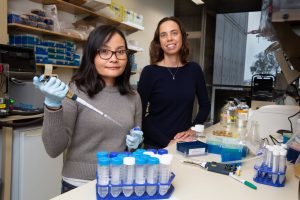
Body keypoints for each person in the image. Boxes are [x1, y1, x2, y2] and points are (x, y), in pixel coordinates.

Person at [33, 25, 143, 193]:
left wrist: (136, 144)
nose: (114, 58)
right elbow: (53, 149)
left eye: (120, 51)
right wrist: (52, 105)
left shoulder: (133, 96)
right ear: (92, 55)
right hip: (79, 184)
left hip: (119, 182)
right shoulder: (75, 91)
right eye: (105, 51)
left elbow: (135, 147)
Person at [137, 17, 211, 148]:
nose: (169, 38)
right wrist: (168, 142)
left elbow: (205, 105)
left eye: (174, 33)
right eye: (163, 35)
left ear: (182, 37)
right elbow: (139, 115)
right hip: (155, 146)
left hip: (183, 143)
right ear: (159, 41)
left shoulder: (194, 70)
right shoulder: (149, 72)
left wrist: (193, 129)